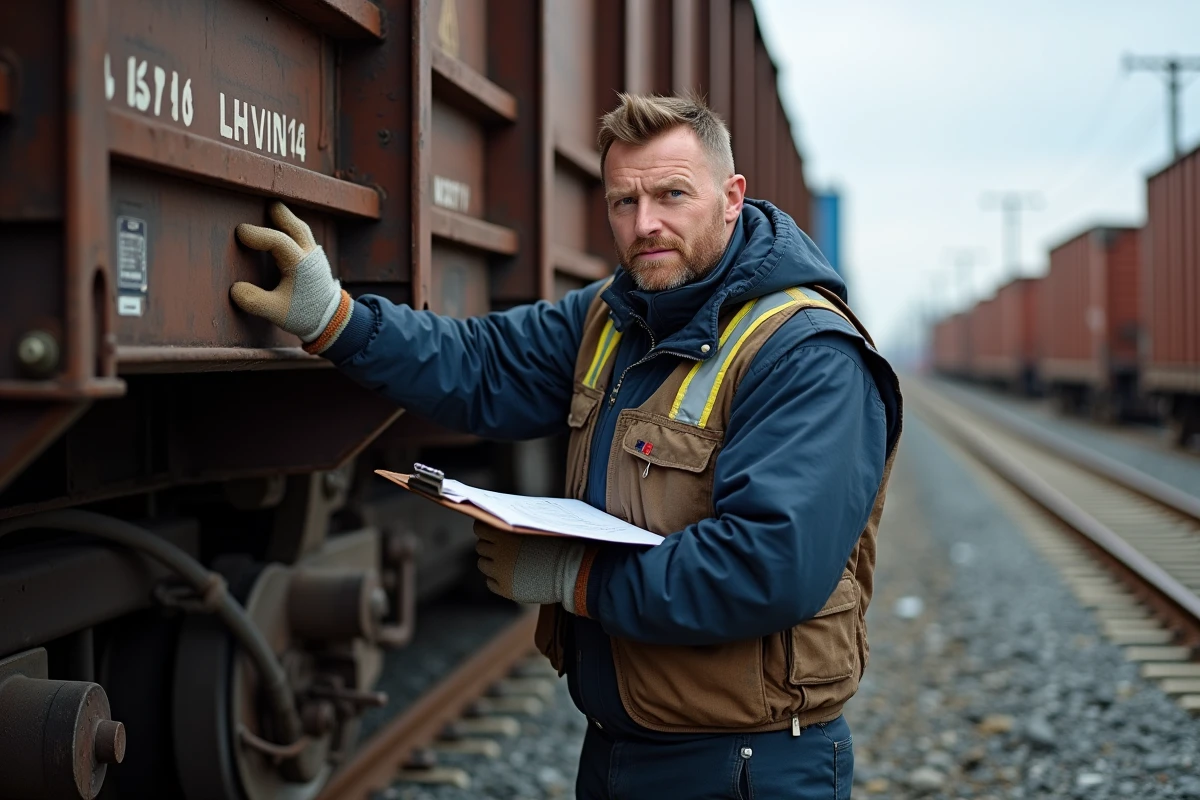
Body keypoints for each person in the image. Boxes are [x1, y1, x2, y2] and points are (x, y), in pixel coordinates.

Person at [230, 92, 902, 799]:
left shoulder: (807, 354)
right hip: (620, 750)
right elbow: (483, 363)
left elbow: (769, 567)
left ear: (732, 197)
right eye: (624, 202)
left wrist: (576, 579)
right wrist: (335, 319)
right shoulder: (615, 317)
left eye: (672, 195)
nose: (647, 225)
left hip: (749, 767)